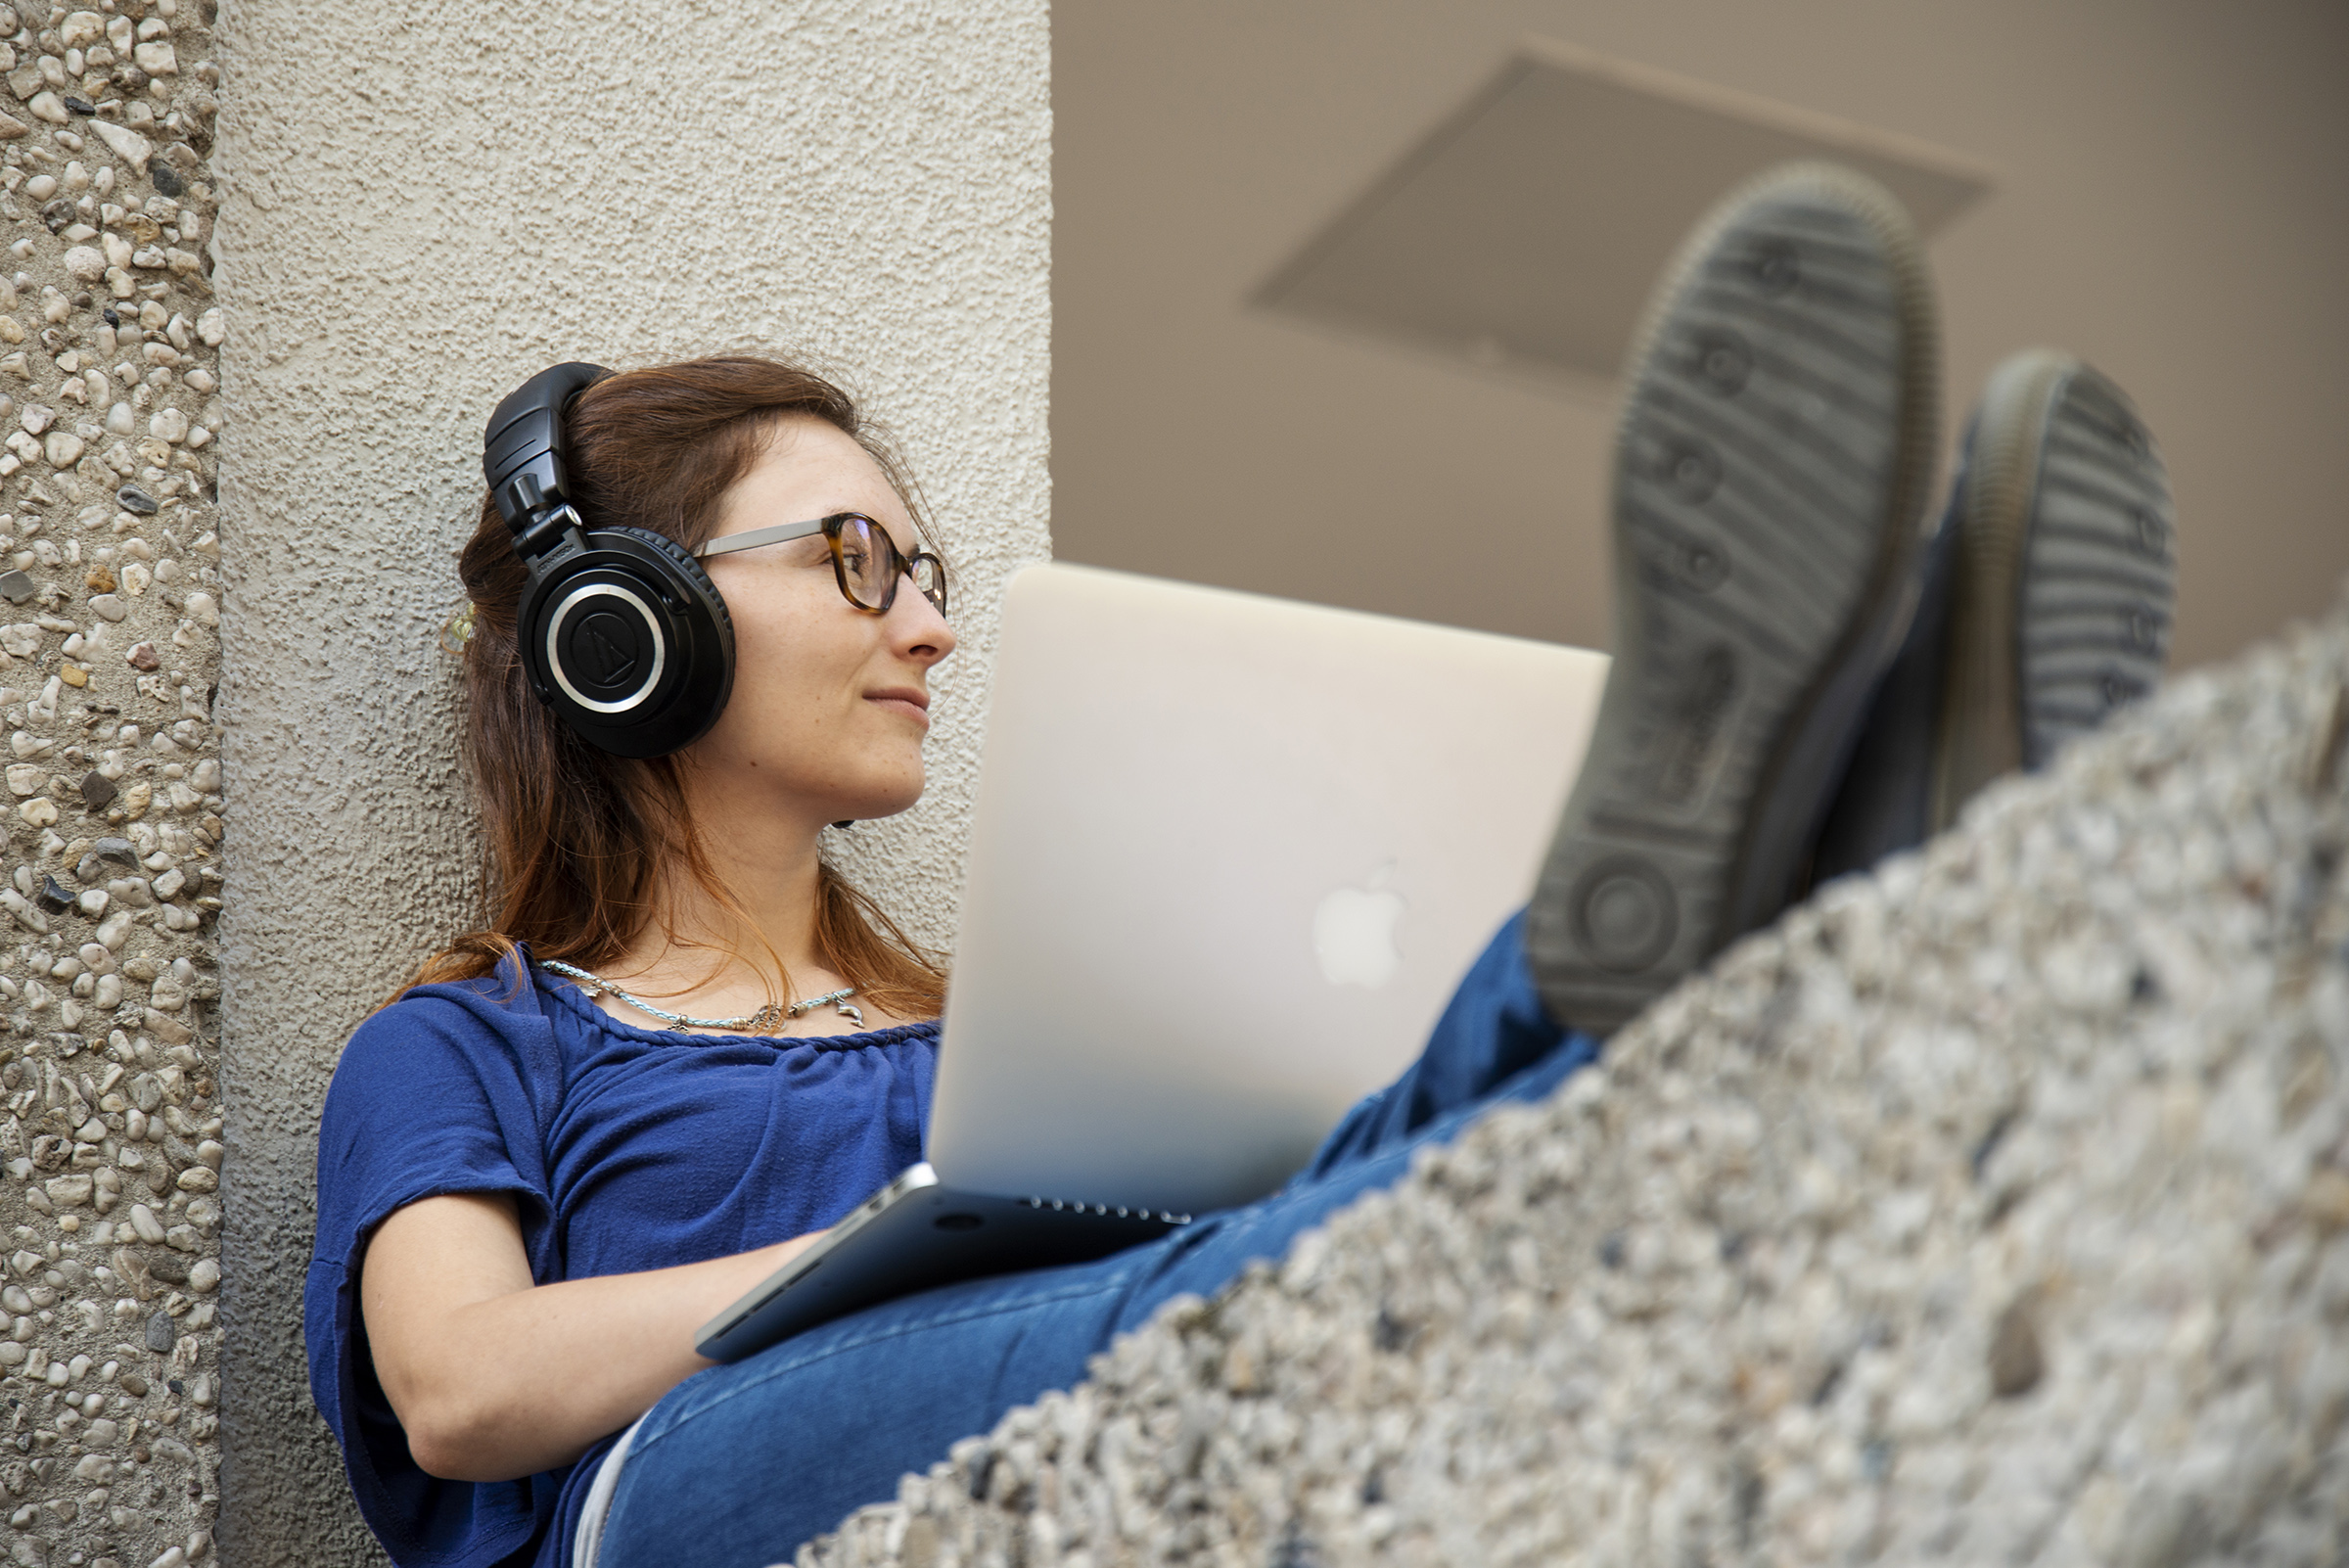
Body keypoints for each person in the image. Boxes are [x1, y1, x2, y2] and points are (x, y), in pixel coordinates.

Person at [306, 163, 2177, 1568]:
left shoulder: (992, 1028)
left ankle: (1803, 854)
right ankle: (1779, 829)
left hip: (1091, 1418)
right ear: (627, 633)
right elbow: (460, 1390)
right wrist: (857, 1263)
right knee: (1198, 1300)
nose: (931, 629)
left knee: (1363, 1191)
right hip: (683, 1503)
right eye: (858, 561)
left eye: (928, 570)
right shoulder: (479, 1036)